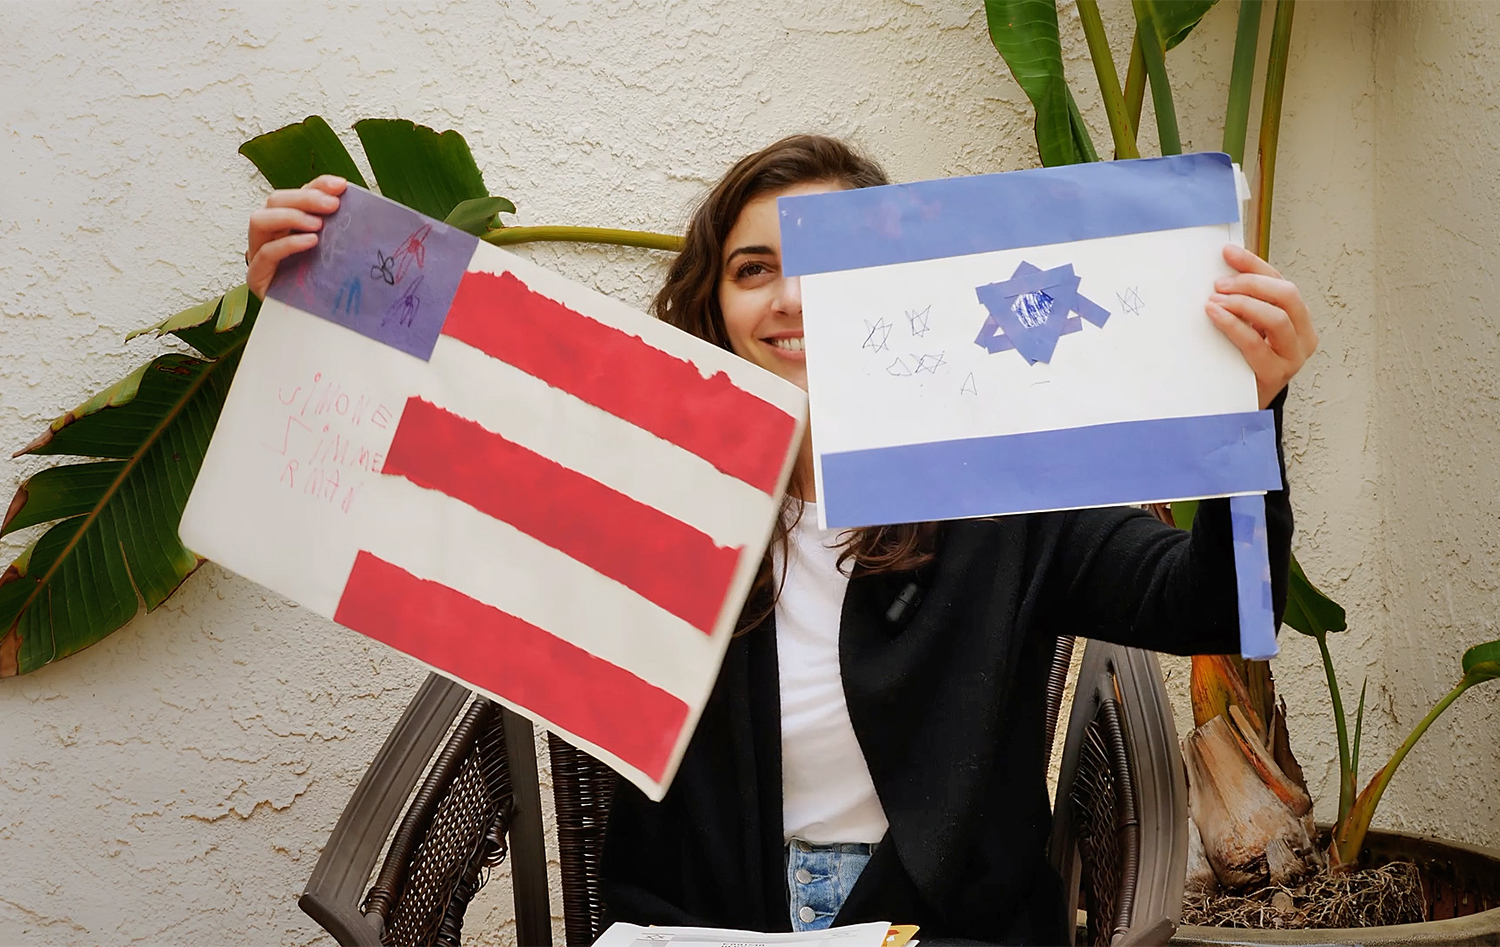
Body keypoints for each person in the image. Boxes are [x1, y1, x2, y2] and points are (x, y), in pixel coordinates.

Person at [246, 135, 1317, 945]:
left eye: (828, 265)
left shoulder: (1002, 490)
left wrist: (1248, 412)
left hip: (944, 925)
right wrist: (308, 302)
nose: (792, 298)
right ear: (713, 304)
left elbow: (1218, 607)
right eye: (753, 267)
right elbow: (417, 477)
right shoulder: (638, 486)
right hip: (706, 926)